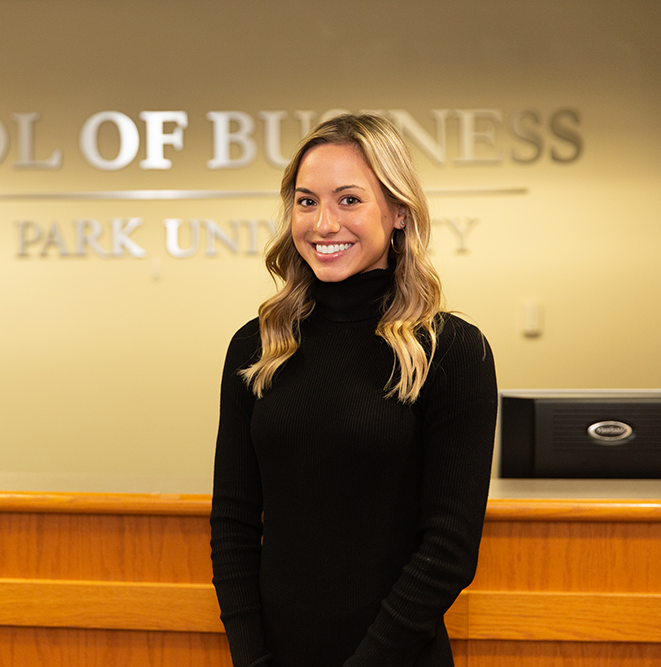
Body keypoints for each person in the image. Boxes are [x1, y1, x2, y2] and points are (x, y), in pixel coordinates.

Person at [210, 113, 498, 667]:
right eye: (306, 201)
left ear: (397, 213)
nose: (323, 224)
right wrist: (251, 660)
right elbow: (234, 523)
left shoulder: (452, 350)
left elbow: (449, 549)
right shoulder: (258, 347)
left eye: (349, 200)